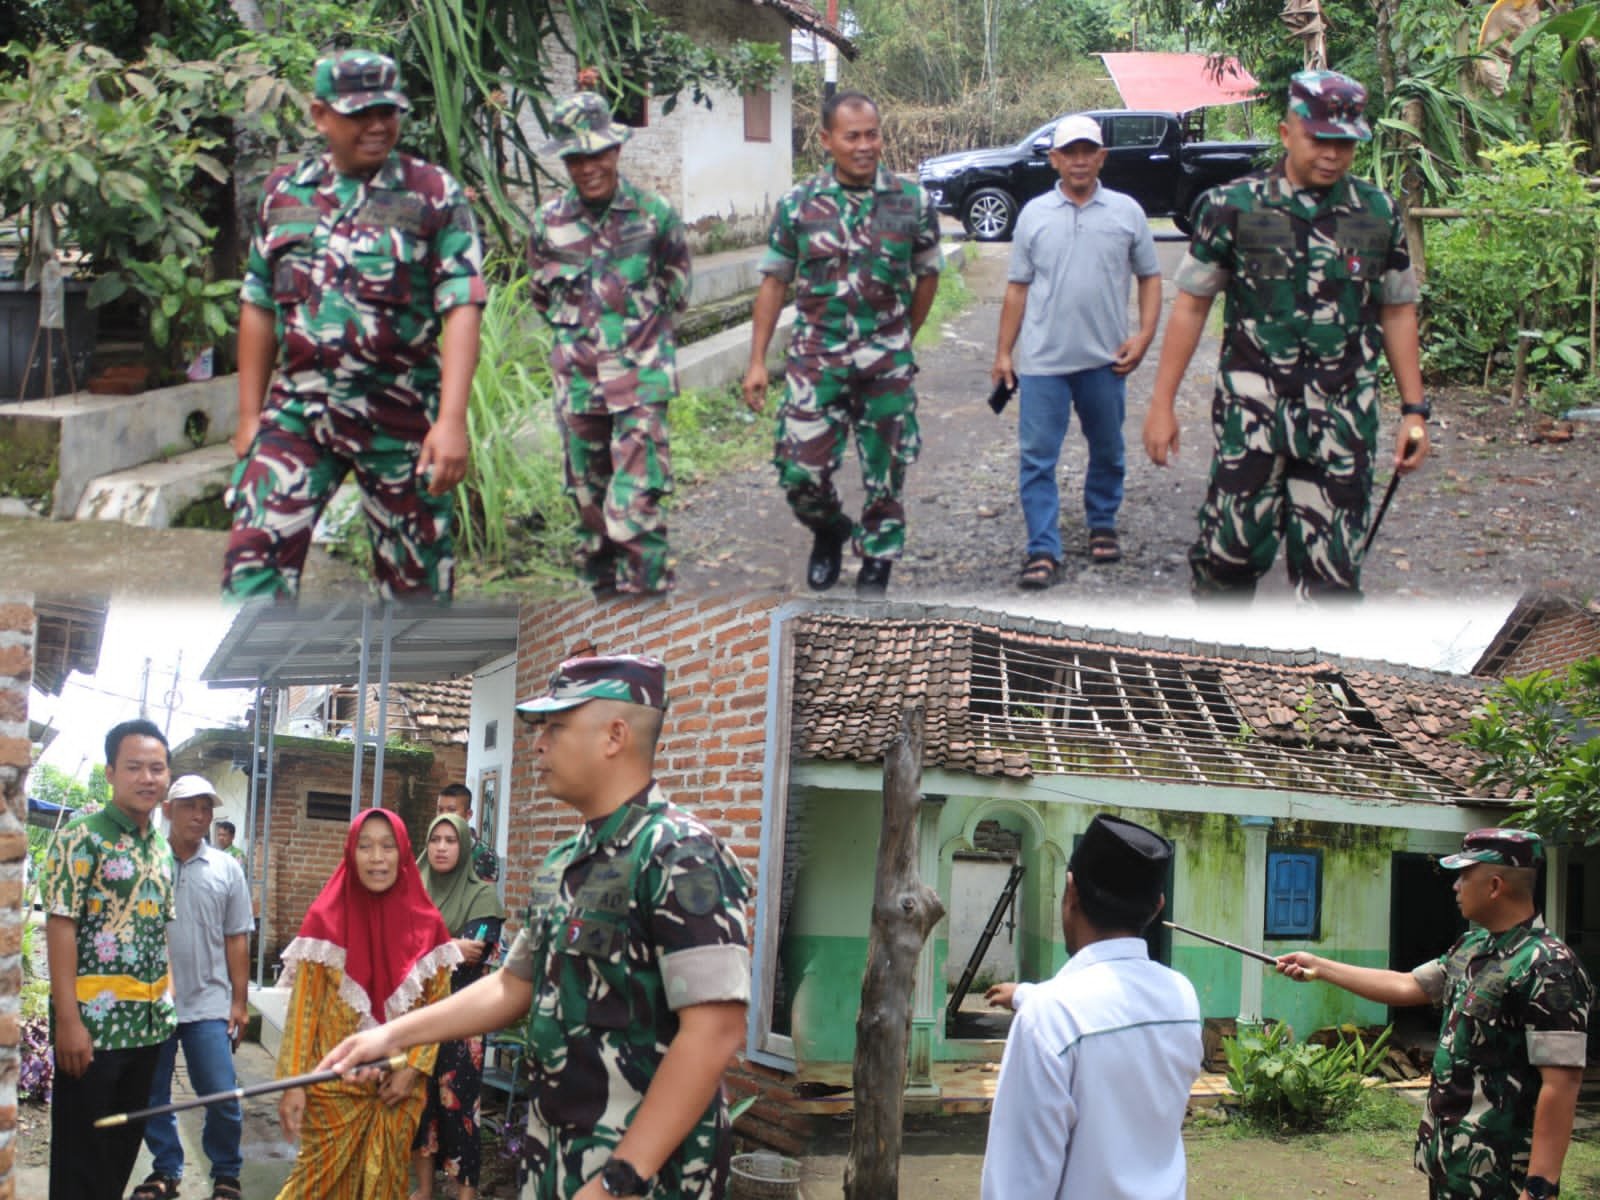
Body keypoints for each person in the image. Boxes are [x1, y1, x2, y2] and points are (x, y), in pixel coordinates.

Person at [316, 654, 752, 1200]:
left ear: (615, 735)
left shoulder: (681, 855)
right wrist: (388, 1035)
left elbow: (715, 1032)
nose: (538, 743)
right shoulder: (565, 862)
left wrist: (618, 1181)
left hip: (644, 1178)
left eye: (556, 726)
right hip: (556, 1163)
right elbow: (512, 985)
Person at [1142, 69, 1430, 600]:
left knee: (1333, 581)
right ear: (1286, 132)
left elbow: (1397, 310)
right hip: (1253, 421)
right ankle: (1216, 673)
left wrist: (1415, 410)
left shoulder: (1376, 212)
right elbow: (1191, 307)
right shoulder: (1233, 207)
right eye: (1321, 138)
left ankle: (1317, 681)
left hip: (1342, 421)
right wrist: (1162, 403)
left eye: (1345, 142)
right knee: (1226, 563)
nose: (1333, 154)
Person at [223, 49, 487, 600]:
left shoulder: (432, 194)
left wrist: (452, 421)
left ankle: (406, 682)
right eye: (359, 113)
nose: (377, 126)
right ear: (321, 116)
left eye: (387, 112)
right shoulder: (283, 194)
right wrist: (250, 417)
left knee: (417, 589)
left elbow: (461, 303)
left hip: (400, 416)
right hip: (298, 413)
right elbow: (258, 302)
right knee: (252, 564)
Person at [1277, 829, 1591, 1200]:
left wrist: (1540, 1187)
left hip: (1502, 1175)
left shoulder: (1549, 966)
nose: (1455, 886)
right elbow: (1407, 985)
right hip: (1452, 1163)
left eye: (1463, 876)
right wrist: (1319, 966)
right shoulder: (1472, 947)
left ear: (1494, 885)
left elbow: (1561, 1083)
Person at [743, 89, 943, 597]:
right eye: (851, 136)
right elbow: (774, 282)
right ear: (827, 139)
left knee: (887, 471)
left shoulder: (912, 200)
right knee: (798, 471)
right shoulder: (798, 204)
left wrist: (903, 339)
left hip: (886, 362)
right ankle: (829, 529)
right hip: (817, 359)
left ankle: (878, 557)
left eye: (871, 134)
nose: (864, 146)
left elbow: (927, 274)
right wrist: (757, 362)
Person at [980, 814, 1202, 1200]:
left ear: (1071, 892)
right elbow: (1107, 1011)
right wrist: (1024, 995)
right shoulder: (1182, 997)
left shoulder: (1049, 1018)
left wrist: (1029, 999)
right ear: (1156, 908)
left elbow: (1017, 1185)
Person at [527, 91, 692, 597]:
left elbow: (678, 284)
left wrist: (635, 327)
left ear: (616, 151)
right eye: (577, 157)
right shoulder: (548, 224)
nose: (588, 167)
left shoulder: (654, 215)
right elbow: (540, 294)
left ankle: (647, 616)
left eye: (597, 153)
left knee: (637, 507)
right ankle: (603, 612)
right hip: (577, 387)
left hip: (640, 382)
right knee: (591, 512)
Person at [991, 113, 1162, 588]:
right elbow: (1017, 289)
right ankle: (1042, 548)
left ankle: (1102, 523)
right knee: (1037, 457)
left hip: (1106, 360)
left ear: (1102, 157)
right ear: (1054, 159)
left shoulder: (1127, 212)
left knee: (1107, 449)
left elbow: (1150, 276)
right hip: (1045, 361)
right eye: (1071, 153)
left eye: (1089, 151)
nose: (1080, 161)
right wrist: (1004, 353)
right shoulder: (1033, 215)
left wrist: (1145, 334)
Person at [274, 808, 459, 1200]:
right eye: (366, 846)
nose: (377, 858)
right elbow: (303, 1013)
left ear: (404, 853)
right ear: (350, 853)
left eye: (388, 846)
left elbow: (437, 1008)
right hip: (332, 1086)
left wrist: (414, 1068)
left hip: (398, 1089)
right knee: (313, 1186)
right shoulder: (323, 921)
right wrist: (292, 1085)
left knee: (385, 1183)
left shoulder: (428, 926)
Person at [41, 720, 175, 1200]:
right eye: (134, 767)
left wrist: (169, 1003)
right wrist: (68, 1020)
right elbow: (61, 925)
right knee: (82, 1160)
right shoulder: (82, 838)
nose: (146, 778)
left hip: (148, 1031)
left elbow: (159, 931)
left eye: (156, 768)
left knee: (120, 1154)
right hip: (92, 1032)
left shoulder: (160, 849)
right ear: (110, 773)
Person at [136, 776, 255, 1200]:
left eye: (206, 808)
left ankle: (226, 1173)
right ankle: (166, 1171)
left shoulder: (226, 868)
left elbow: (237, 936)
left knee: (221, 1092)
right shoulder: (145, 862)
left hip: (208, 1001)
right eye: (190, 806)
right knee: (153, 1094)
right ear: (167, 810)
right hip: (154, 1003)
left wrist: (239, 1003)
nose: (200, 815)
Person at [411, 813, 507, 1200]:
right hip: (416, 1016)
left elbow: (473, 954)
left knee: (459, 1111)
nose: (442, 847)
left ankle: (464, 1194)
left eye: (451, 840)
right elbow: (396, 947)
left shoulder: (482, 896)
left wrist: (427, 949)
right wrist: (446, 947)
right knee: (420, 1106)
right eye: (435, 839)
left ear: (464, 847)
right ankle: (424, 1190)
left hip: (463, 1020)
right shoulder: (412, 890)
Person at [433, 782, 498, 884]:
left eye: (451, 810)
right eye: (440, 810)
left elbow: (485, 896)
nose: (444, 816)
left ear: (468, 815)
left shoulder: (483, 855)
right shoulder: (433, 847)